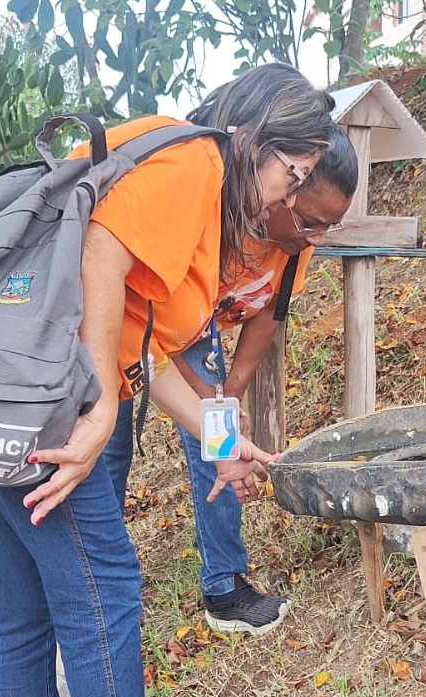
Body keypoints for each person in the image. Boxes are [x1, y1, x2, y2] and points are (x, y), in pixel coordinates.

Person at [0, 63, 335, 697]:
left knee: (20, 601)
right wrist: (100, 410)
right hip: (50, 403)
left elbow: (150, 352)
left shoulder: (179, 176)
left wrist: (222, 446)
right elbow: (101, 252)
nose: (288, 196)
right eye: (293, 173)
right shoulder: (197, 160)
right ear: (252, 138)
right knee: (102, 589)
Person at [105, 125, 358, 636]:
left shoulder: (294, 243)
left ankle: (222, 585)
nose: (316, 237)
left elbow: (270, 313)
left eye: (327, 227)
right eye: (310, 222)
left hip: (195, 330)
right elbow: (162, 333)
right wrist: (213, 406)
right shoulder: (211, 216)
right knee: (111, 443)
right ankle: (100, 577)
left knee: (220, 441)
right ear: (284, 192)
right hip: (138, 315)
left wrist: (230, 394)